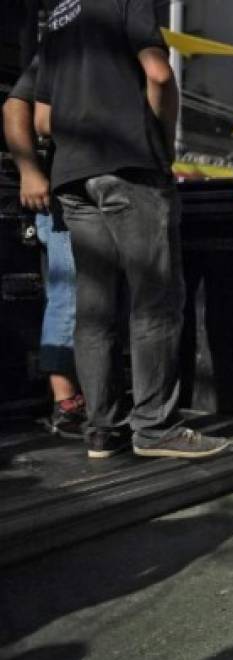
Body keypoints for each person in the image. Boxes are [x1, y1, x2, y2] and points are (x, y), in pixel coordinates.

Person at [33, 0, 227, 459]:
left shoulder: (58, 18)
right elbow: (159, 75)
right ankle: (155, 427)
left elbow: (41, 118)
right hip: (129, 166)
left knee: (94, 307)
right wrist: (160, 144)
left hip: (72, 176)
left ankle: (102, 428)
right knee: (153, 300)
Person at [3, 55, 86, 438]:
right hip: (67, 193)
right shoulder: (61, 48)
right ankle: (66, 403)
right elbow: (15, 106)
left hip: (104, 192)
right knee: (68, 293)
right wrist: (29, 169)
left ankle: (88, 397)